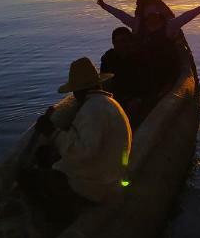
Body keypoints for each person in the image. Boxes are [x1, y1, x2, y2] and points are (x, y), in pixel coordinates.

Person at [31, 57, 132, 208]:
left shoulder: (92, 110)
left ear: (77, 91)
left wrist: (53, 132)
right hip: (110, 174)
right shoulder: (109, 104)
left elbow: (83, 153)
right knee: (49, 158)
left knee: (30, 178)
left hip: (98, 187)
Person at [99, 27, 141, 104]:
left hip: (135, 98)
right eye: (117, 42)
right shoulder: (108, 59)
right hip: (114, 99)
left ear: (131, 41)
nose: (121, 44)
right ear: (113, 43)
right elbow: (104, 82)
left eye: (124, 41)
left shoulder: (139, 58)